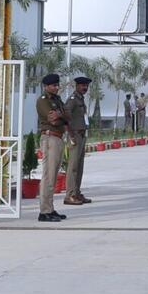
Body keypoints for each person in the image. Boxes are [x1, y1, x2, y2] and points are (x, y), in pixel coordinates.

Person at [35, 73, 69, 223]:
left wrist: (61, 115)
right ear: (46, 86)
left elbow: (68, 116)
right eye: (53, 85)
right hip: (50, 138)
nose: (56, 87)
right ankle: (44, 211)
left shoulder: (57, 99)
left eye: (57, 85)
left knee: (53, 175)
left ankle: (50, 208)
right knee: (48, 175)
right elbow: (53, 120)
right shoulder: (43, 100)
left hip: (58, 137)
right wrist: (62, 117)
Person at [64, 76, 93, 207]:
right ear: (77, 86)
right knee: (73, 167)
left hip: (81, 135)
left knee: (79, 167)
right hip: (74, 135)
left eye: (86, 86)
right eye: (82, 85)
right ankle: (69, 195)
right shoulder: (72, 99)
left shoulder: (80, 99)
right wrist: (70, 134)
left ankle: (76, 192)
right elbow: (65, 116)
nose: (85, 88)